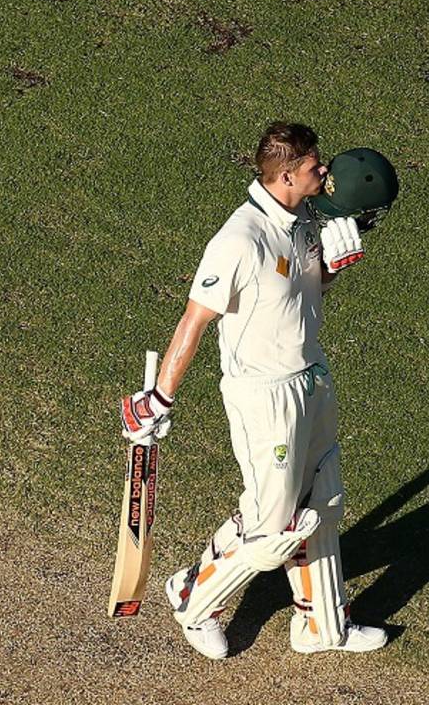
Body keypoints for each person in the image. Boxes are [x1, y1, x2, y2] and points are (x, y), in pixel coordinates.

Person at [119, 122, 399, 660]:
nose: (326, 172)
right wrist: (158, 399)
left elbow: (301, 288)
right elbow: (194, 321)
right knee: (272, 530)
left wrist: (332, 270)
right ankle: (193, 597)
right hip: (263, 396)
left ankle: (321, 627)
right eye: (317, 166)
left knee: (324, 498)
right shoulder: (239, 240)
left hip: (311, 377)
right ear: (288, 174)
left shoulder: (302, 220)